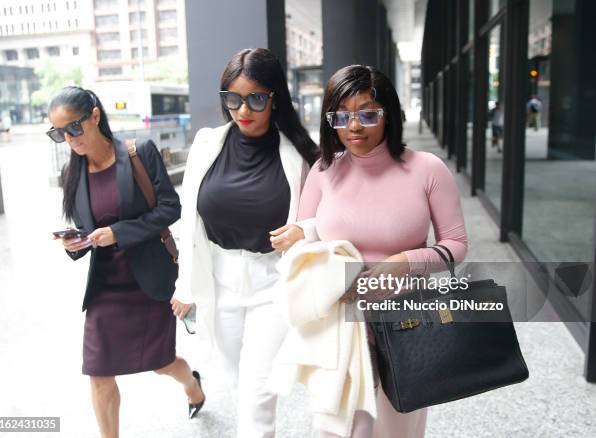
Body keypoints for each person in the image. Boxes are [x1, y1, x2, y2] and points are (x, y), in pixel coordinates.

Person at [272, 65, 468, 437]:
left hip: (407, 321)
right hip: (340, 323)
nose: (354, 127)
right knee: (339, 428)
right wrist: (297, 235)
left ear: (389, 114)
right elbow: (308, 246)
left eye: (367, 113)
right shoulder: (323, 171)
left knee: (397, 428)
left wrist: (405, 262)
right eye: (341, 116)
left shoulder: (427, 169)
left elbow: (456, 246)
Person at [173, 48, 318, 438]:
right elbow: (190, 220)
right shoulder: (207, 144)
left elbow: (329, 214)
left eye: (255, 98)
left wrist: (307, 228)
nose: (243, 110)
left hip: (273, 280)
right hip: (219, 281)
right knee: (238, 383)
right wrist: (185, 285)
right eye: (232, 99)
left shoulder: (301, 154)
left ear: (275, 98)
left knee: (258, 392)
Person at [49, 86, 204, 438]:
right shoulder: (71, 175)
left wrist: (119, 232)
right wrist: (75, 243)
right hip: (105, 287)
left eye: (73, 128)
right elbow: (88, 232)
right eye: (59, 134)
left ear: (94, 116)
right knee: (99, 372)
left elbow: (170, 209)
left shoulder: (138, 153)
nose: (69, 139)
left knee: (161, 365)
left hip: (148, 280)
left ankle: (192, 385)